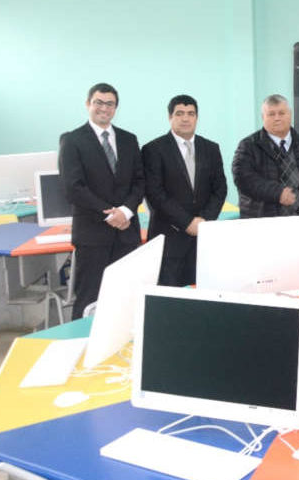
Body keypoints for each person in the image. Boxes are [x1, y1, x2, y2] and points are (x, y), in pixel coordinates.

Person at [59, 82, 144, 320]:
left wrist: (126, 212)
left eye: (110, 104)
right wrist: (110, 214)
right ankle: (81, 349)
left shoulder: (129, 139)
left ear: (115, 108)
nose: (104, 108)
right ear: (88, 104)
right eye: (98, 102)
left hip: (126, 233)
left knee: (126, 297)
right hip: (92, 235)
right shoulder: (72, 140)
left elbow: (140, 181)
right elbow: (73, 188)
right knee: (89, 299)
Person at [141, 94, 227, 287]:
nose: (186, 118)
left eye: (191, 113)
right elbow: (155, 193)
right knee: (168, 302)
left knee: (203, 298)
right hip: (169, 238)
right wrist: (187, 222)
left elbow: (220, 189)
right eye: (179, 113)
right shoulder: (153, 149)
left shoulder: (211, 148)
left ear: (197, 117)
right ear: (170, 117)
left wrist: (203, 222)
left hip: (203, 239)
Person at [232, 94, 299, 219]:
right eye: (271, 114)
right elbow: (243, 178)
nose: (277, 118)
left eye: (281, 113)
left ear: (290, 114)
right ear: (263, 117)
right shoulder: (248, 146)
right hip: (263, 223)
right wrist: (277, 192)